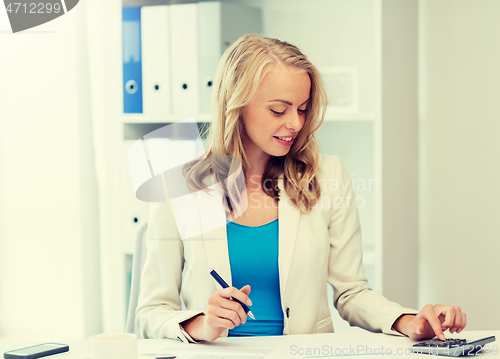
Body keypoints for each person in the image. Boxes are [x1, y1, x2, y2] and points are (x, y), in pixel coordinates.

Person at [135, 34, 466, 343]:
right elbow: (150, 313)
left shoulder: (328, 175)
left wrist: (407, 321)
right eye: (279, 109)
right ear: (236, 105)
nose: (295, 123)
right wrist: (204, 324)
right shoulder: (176, 186)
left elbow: (352, 292)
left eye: (303, 109)